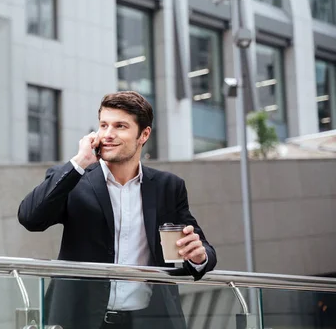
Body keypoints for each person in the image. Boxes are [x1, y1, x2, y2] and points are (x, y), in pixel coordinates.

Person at [18, 91, 217, 329]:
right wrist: (80, 162)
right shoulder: (74, 179)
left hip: (149, 321)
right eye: (104, 125)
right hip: (80, 320)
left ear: (144, 134)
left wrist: (198, 257)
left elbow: (202, 249)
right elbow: (31, 218)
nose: (108, 134)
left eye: (120, 126)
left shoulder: (168, 187)